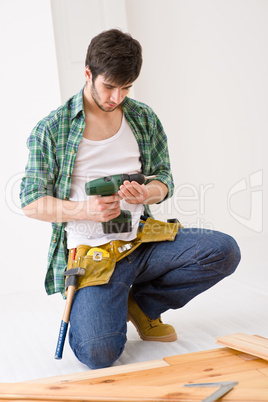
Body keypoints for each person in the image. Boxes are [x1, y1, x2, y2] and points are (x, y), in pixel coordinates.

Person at [20, 29, 241, 369]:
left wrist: (148, 191)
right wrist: (85, 210)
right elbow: (31, 202)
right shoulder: (53, 128)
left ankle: (142, 304)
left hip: (141, 241)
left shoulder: (142, 117)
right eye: (109, 86)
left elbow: (163, 178)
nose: (117, 97)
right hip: (93, 256)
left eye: (126, 88)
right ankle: (112, 300)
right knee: (97, 354)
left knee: (223, 250)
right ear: (88, 74)